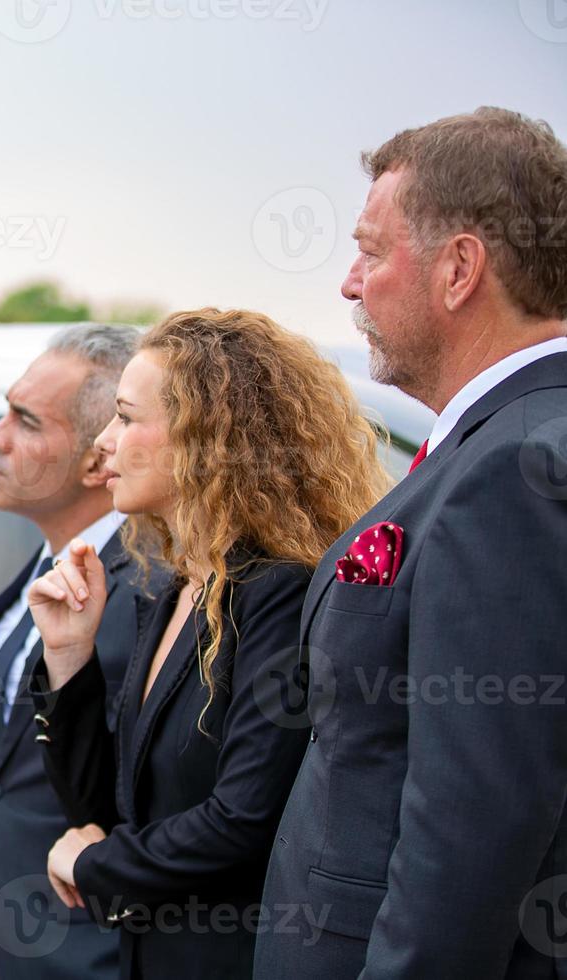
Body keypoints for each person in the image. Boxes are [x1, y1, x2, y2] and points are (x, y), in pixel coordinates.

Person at [256, 108, 567, 978]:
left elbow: (478, 816)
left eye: (370, 251)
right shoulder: (504, 441)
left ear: (460, 268)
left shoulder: (516, 466)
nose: (350, 285)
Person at [28, 309, 389, 980]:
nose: (103, 444)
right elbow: (107, 811)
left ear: (210, 439)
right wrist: (69, 655)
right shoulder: (177, 585)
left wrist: (91, 865)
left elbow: (242, 822)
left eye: (128, 418)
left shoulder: (276, 592)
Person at [0, 323, 146, 980]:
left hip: (92, 952)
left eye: (26, 421)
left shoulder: (150, 592)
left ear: (100, 457)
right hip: (6, 938)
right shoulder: (42, 565)